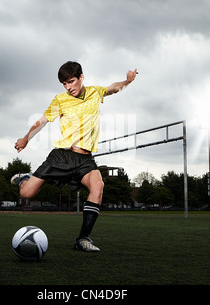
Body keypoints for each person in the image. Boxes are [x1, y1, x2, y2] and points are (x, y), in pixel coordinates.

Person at [11, 61, 137, 252]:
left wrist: (128, 81)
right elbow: (42, 121)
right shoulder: (60, 100)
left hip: (85, 160)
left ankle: (83, 239)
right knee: (26, 193)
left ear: (81, 78)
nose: (68, 87)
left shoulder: (95, 92)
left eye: (71, 81)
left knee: (98, 185)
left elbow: (113, 88)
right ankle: (23, 179)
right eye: (64, 84)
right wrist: (26, 138)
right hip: (61, 156)